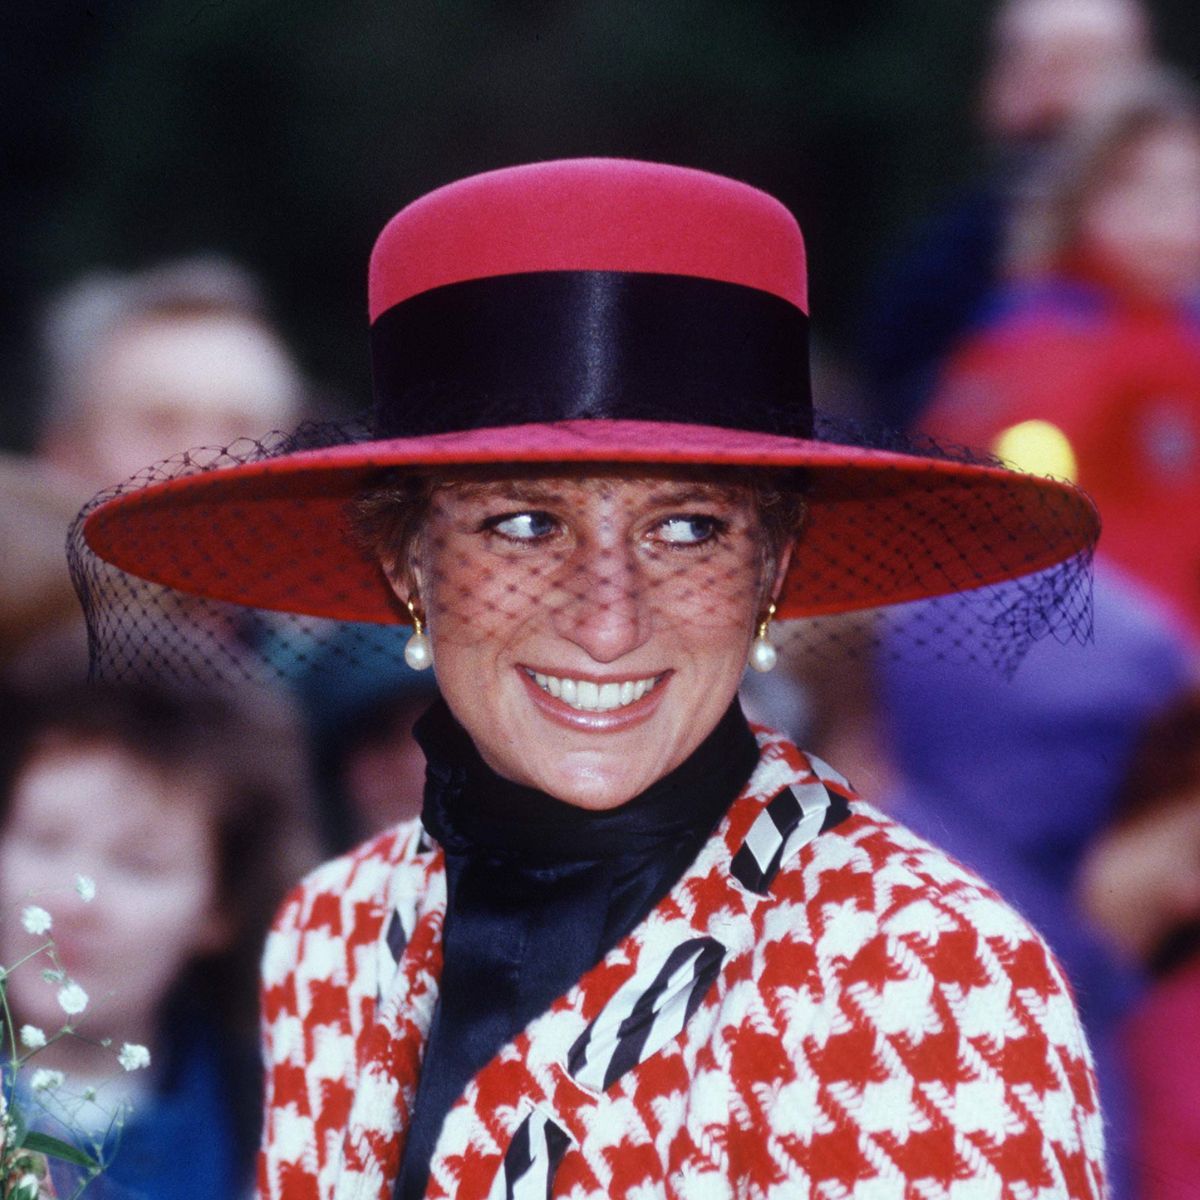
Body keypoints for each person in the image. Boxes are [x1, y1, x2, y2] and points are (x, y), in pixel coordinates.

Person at [72, 160, 1105, 1198]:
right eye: (522, 526)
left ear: (773, 568)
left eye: (687, 529)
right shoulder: (333, 935)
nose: (607, 619)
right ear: (405, 562)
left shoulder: (924, 975)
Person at [0, 678, 317, 1199]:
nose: (74, 902)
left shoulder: (281, 1127)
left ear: (221, 908)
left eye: (138, 866)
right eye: (44, 839)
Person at [923, 72, 1200, 642]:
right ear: (1080, 198)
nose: (1171, 216)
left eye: (1190, 189)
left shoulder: (1185, 337)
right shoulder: (1037, 338)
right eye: (1139, 189)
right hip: (1088, 668)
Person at [858, 0, 1155, 430]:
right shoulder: (941, 270)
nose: (1077, 95)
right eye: (1052, 64)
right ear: (1002, 89)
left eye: (1099, 64)